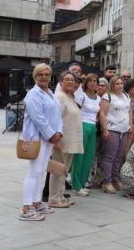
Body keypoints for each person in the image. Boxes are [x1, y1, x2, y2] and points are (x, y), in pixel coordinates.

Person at [20, 63, 63, 221]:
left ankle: (37, 202)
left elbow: (58, 115)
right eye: (40, 75)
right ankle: (26, 208)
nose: (44, 77)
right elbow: (38, 118)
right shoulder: (33, 94)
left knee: (42, 171)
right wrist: (51, 134)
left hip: (49, 138)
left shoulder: (50, 93)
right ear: (35, 76)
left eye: (46, 74)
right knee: (34, 172)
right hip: (37, 138)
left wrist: (59, 132)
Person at [49, 71, 83, 208]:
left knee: (64, 170)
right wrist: (56, 140)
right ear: (60, 81)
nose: (70, 82)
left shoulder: (70, 96)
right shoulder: (59, 97)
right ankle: (54, 198)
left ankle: (61, 196)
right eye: (67, 79)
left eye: (72, 80)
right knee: (57, 170)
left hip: (71, 140)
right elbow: (55, 119)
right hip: (62, 140)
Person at [100, 76, 133, 194]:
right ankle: (107, 181)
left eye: (121, 83)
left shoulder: (126, 96)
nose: (119, 85)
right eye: (117, 84)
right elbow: (102, 114)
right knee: (110, 156)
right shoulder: (107, 96)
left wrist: (130, 125)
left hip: (124, 130)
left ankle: (115, 178)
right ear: (112, 85)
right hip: (112, 129)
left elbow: (129, 111)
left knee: (119, 156)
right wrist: (105, 129)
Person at [71, 74, 101, 197]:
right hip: (82, 126)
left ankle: (82, 184)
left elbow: (98, 114)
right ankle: (76, 185)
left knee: (89, 157)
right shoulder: (81, 96)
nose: (93, 83)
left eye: (95, 81)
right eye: (90, 81)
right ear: (86, 83)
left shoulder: (98, 98)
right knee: (79, 157)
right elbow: (75, 111)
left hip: (93, 127)